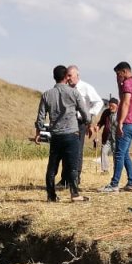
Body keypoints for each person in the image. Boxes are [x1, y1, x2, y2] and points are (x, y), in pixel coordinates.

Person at [35, 64, 90, 202]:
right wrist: (87, 121)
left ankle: (51, 195)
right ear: (66, 77)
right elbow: (85, 113)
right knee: (72, 165)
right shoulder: (74, 93)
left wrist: (38, 132)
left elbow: (40, 118)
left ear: (54, 77)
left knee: (52, 167)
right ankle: (75, 194)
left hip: (56, 136)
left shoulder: (47, 94)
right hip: (72, 134)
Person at [100, 61, 132, 193]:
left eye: (119, 74)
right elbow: (122, 97)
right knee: (125, 154)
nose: (118, 77)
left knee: (118, 154)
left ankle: (114, 184)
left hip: (127, 123)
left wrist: (120, 122)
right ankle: (131, 182)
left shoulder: (128, 83)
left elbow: (125, 103)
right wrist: (119, 84)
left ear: (124, 71)